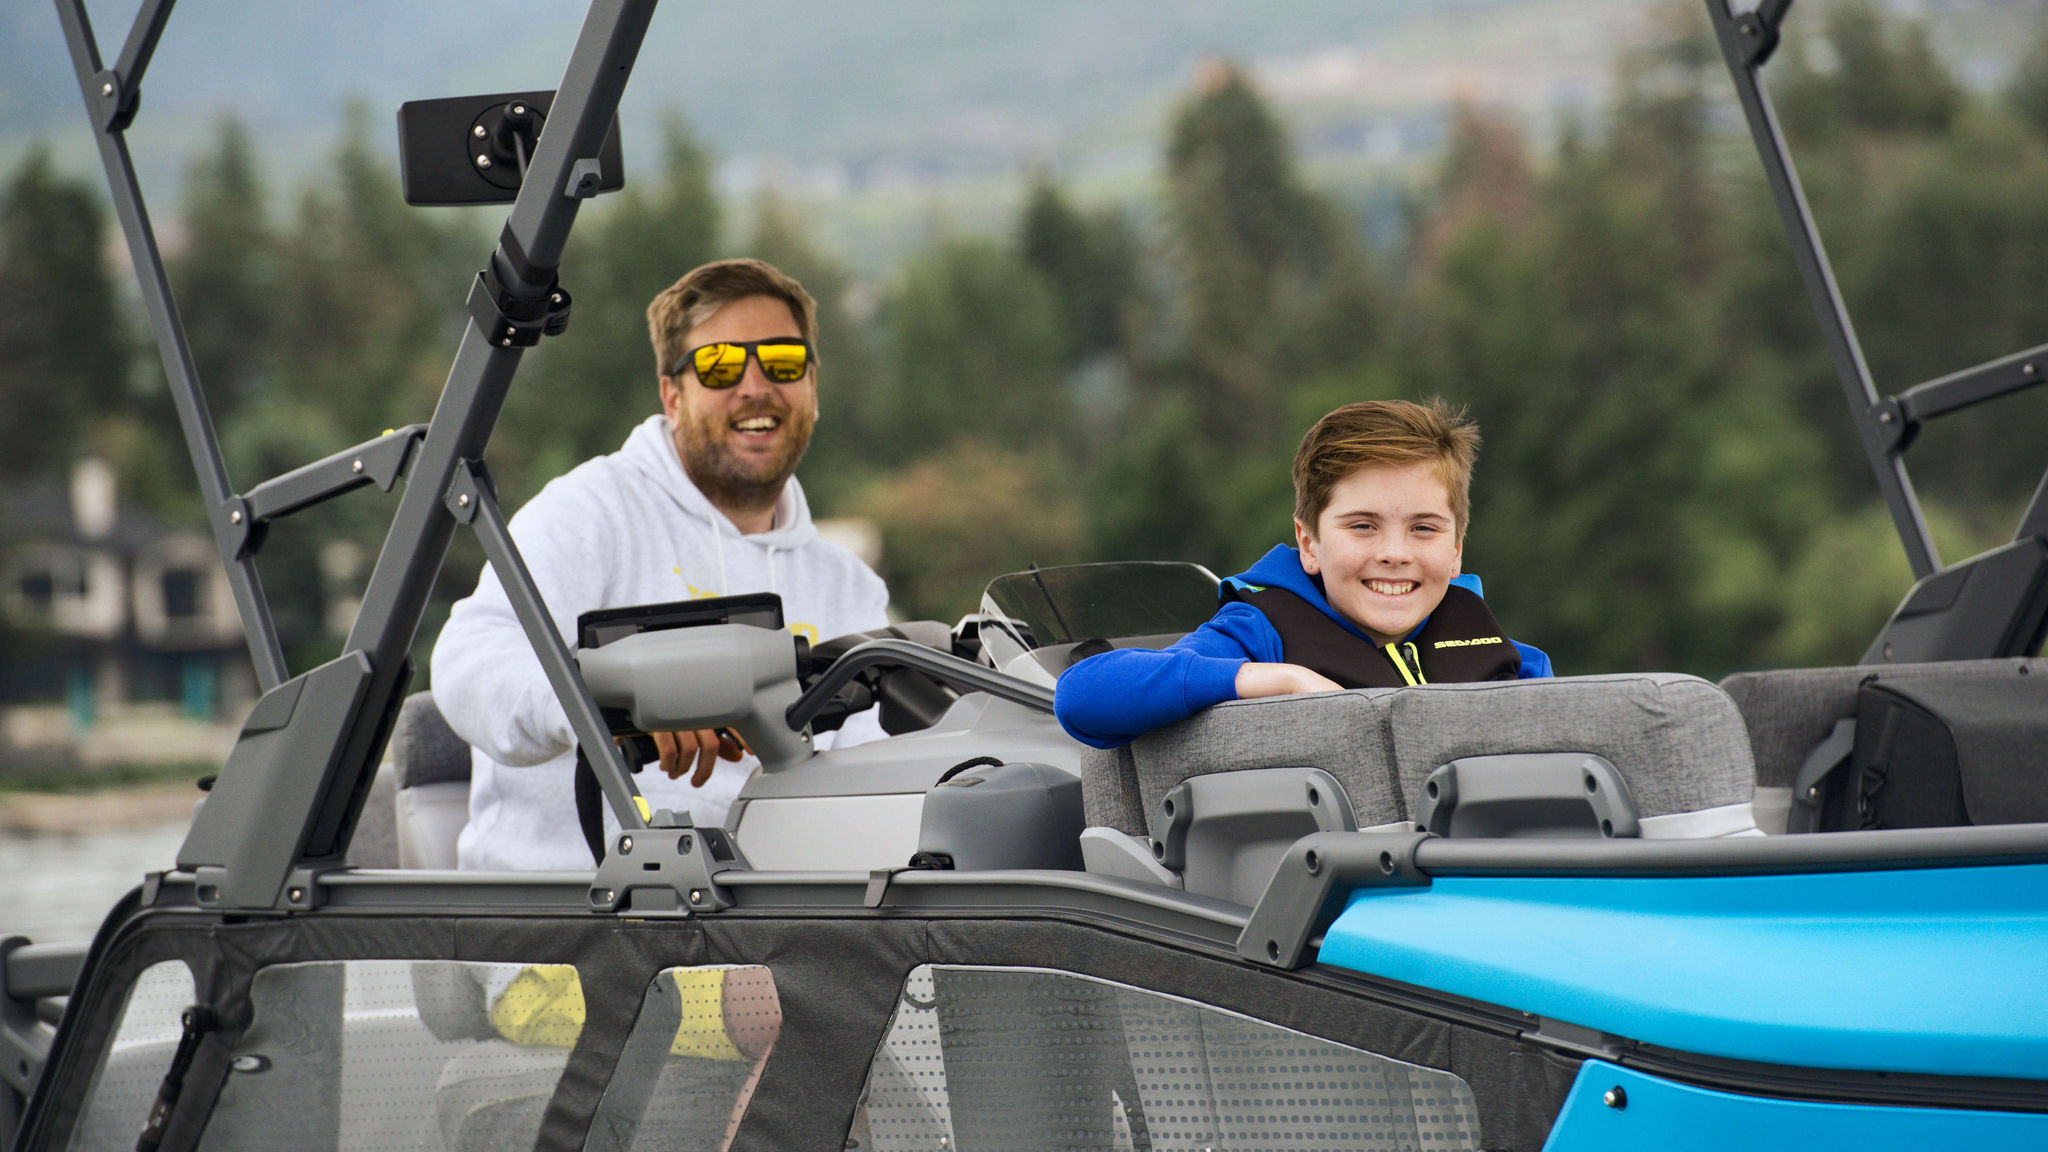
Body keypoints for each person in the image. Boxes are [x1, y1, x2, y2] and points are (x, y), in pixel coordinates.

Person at [432, 258, 890, 870]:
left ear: (812, 387)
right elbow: (468, 660)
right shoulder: (589, 512)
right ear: (673, 395)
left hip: (765, 936)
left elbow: (877, 774)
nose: (755, 387)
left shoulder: (849, 586)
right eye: (720, 366)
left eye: (782, 360)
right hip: (559, 926)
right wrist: (610, 703)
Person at [1054, 398, 1551, 749]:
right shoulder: (1259, 634)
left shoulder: (1515, 661)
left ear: (1457, 550)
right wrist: (1281, 681)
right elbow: (1084, 693)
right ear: (1309, 544)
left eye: (1424, 528)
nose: (1395, 553)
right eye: (1363, 526)